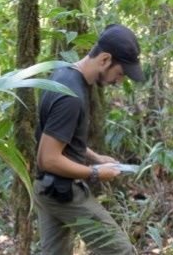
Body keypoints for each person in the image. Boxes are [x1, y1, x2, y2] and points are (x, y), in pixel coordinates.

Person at [33, 24, 143, 255]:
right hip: (63, 192)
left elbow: (60, 138)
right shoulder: (70, 96)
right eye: (120, 73)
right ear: (105, 59)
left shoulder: (65, 75)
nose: (119, 81)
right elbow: (49, 159)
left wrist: (95, 157)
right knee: (122, 251)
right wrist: (95, 172)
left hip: (46, 188)